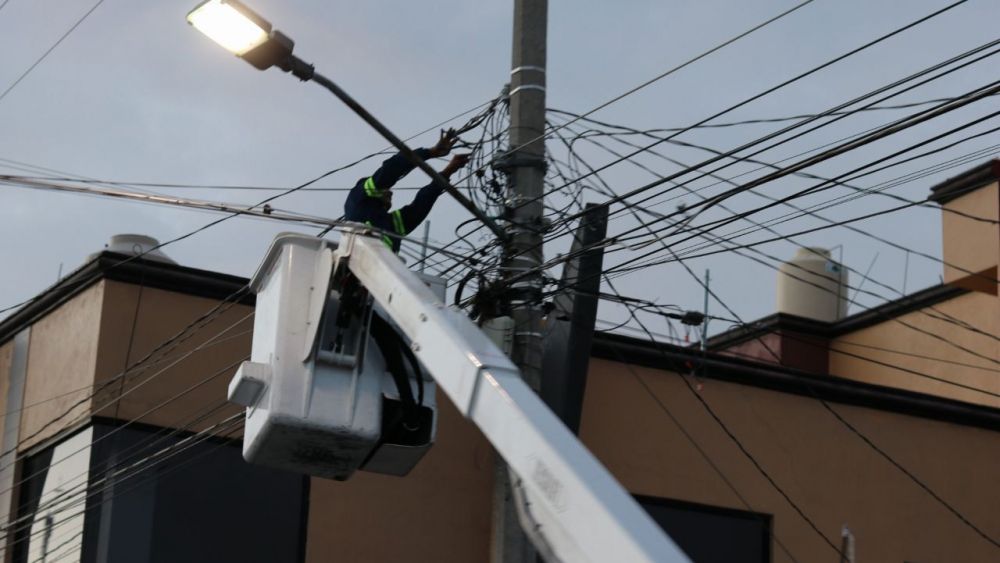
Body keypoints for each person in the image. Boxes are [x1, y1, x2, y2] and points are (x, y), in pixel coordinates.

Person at [344, 129, 470, 253]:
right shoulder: (358, 200)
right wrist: (430, 152)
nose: (391, 192)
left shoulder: (389, 224)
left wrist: (448, 171)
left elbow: (420, 205)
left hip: (381, 270)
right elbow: (391, 169)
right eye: (387, 189)